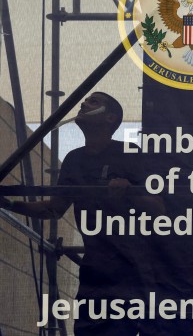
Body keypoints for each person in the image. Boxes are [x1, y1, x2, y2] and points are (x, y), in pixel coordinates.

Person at [0, 92, 165, 335]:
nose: (84, 103)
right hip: (94, 270)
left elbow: (159, 207)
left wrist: (129, 192)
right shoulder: (74, 159)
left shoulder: (130, 153)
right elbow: (53, 208)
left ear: (110, 118)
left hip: (131, 270)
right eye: (86, 100)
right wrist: (10, 205)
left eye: (93, 101)